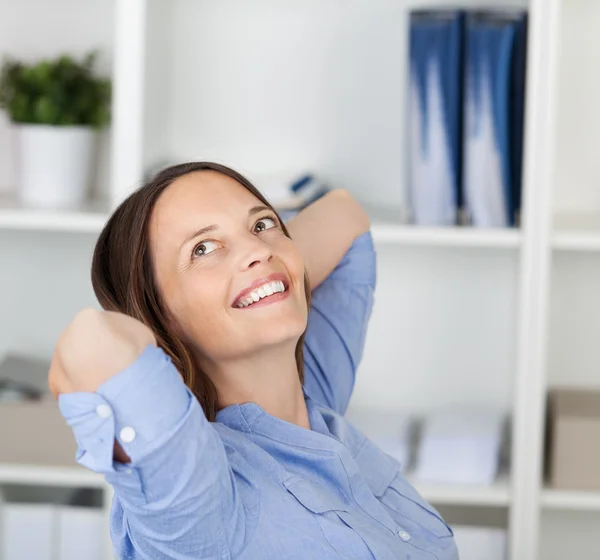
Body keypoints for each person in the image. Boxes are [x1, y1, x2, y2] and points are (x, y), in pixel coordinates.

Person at [49, 162, 458, 560]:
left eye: (262, 224)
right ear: (160, 314)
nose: (257, 249)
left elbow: (343, 211)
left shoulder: (314, 389)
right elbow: (93, 342)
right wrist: (256, 280)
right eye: (202, 248)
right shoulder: (205, 506)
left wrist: (273, 272)